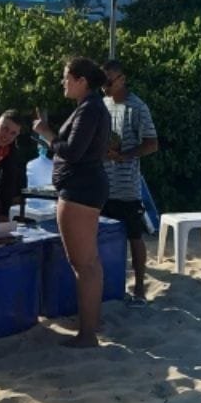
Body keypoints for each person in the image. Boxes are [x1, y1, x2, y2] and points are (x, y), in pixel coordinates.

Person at [33, 56, 111, 348]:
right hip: (86, 187)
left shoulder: (89, 109)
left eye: (66, 77)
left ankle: (87, 334)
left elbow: (73, 151)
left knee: (83, 264)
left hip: (79, 190)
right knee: (90, 262)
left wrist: (46, 133)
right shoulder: (92, 107)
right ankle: (92, 324)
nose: (62, 82)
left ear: (81, 81)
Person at [100, 60, 158, 305]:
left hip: (126, 186)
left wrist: (125, 155)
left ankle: (140, 288)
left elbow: (152, 144)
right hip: (103, 184)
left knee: (134, 236)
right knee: (102, 238)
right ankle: (108, 286)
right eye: (101, 82)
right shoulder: (102, 104)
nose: (104, 87)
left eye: (108, 81)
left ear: (122, 79)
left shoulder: (137, 107)